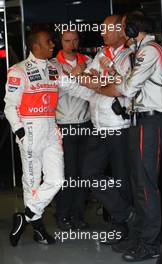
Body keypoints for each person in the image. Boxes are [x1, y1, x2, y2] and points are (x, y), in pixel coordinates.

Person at [58, 15, 133, 244]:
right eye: (101, 29)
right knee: (89, 174)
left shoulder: (130, 55)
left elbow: (121, 88)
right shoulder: (101, 54)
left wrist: (99, 81)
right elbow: (85, 80)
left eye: (107, 29)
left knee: (121, 178)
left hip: (119, 126)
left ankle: (122, 229)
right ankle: (126, 213)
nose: (102, 33)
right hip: (97, 126)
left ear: (121, 31)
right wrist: (101, 82)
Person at [112, 11, 162, 261]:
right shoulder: (141, 51)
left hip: (151, 122)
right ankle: (139, 237)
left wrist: (119, 87)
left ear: (134, 29)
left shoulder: (150, 50)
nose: (123, 31)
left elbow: (128, 86)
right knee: (139, 184)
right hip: (140, 121)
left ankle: (150, 243)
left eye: (125, 27)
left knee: (145, 185)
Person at [4, 26, 65, 246]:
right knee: (32, 182)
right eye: (49, 42)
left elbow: (73, 88)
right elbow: (10, 106)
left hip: (51, 128)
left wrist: (96, 83)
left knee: (57, 179)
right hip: (30, 130)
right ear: (36, 45)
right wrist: (20, 132)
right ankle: (38, 229)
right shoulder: (18, 71)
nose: (53, 45)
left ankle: (25, 217)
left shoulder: (54, 68)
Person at [51, 29, 92, 230]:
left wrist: (77, 77)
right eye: (67, 40)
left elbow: (97, 88)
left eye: (75, 40)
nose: (71, 44)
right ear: (60, 41)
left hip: (86, 123)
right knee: (68, 173)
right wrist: (77, 75)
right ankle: (63, 214)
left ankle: (78, 214)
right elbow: (59, 87)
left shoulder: (90, 60)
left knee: (84, 173)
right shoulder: (52, 65)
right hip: (63, 125)